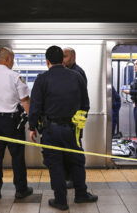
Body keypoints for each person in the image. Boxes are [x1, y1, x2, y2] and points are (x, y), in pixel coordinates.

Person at [29, 46, 97, 211]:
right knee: (76, 161)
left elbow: (35, 107)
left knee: (55, 163)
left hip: (50, 129)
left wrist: (32, 127)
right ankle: (81, 194)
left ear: (47, 61)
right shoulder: (77, 77)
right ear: (62, 59)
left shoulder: (42, 79)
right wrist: (79, 124)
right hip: (73, 129)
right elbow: (85, 104)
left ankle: (61, 200)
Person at [0, 47, 33, 200]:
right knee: (17, 156)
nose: (13, 63)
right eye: (13, 59)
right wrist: (33, 122)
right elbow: (25, 101)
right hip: (13, 122)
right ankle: (21, 190)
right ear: (8, 59)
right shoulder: (15, 77)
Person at [62, 47, 87, 189]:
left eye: (65, 56)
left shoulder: (77, 73)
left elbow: (78, 98)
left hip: (74, 120)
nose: (63, 59)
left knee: (75, 151)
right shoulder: (68, 72)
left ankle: (75, 179)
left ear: (72, 57)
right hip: (69, 120)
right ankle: (69, 177)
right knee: (67, 150)